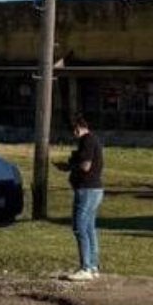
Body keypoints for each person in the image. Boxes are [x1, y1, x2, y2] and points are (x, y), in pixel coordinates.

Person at [56, 114, 103, 282]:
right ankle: (93, 266)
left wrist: (70, 166)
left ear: (77, 128)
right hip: (94, 189)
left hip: (87, 189)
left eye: (73, 131)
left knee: (79, 227)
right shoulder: (92, 140)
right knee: (89, 228)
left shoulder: (87, 141)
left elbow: (85, 166)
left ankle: (86, 267)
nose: (73, 135)